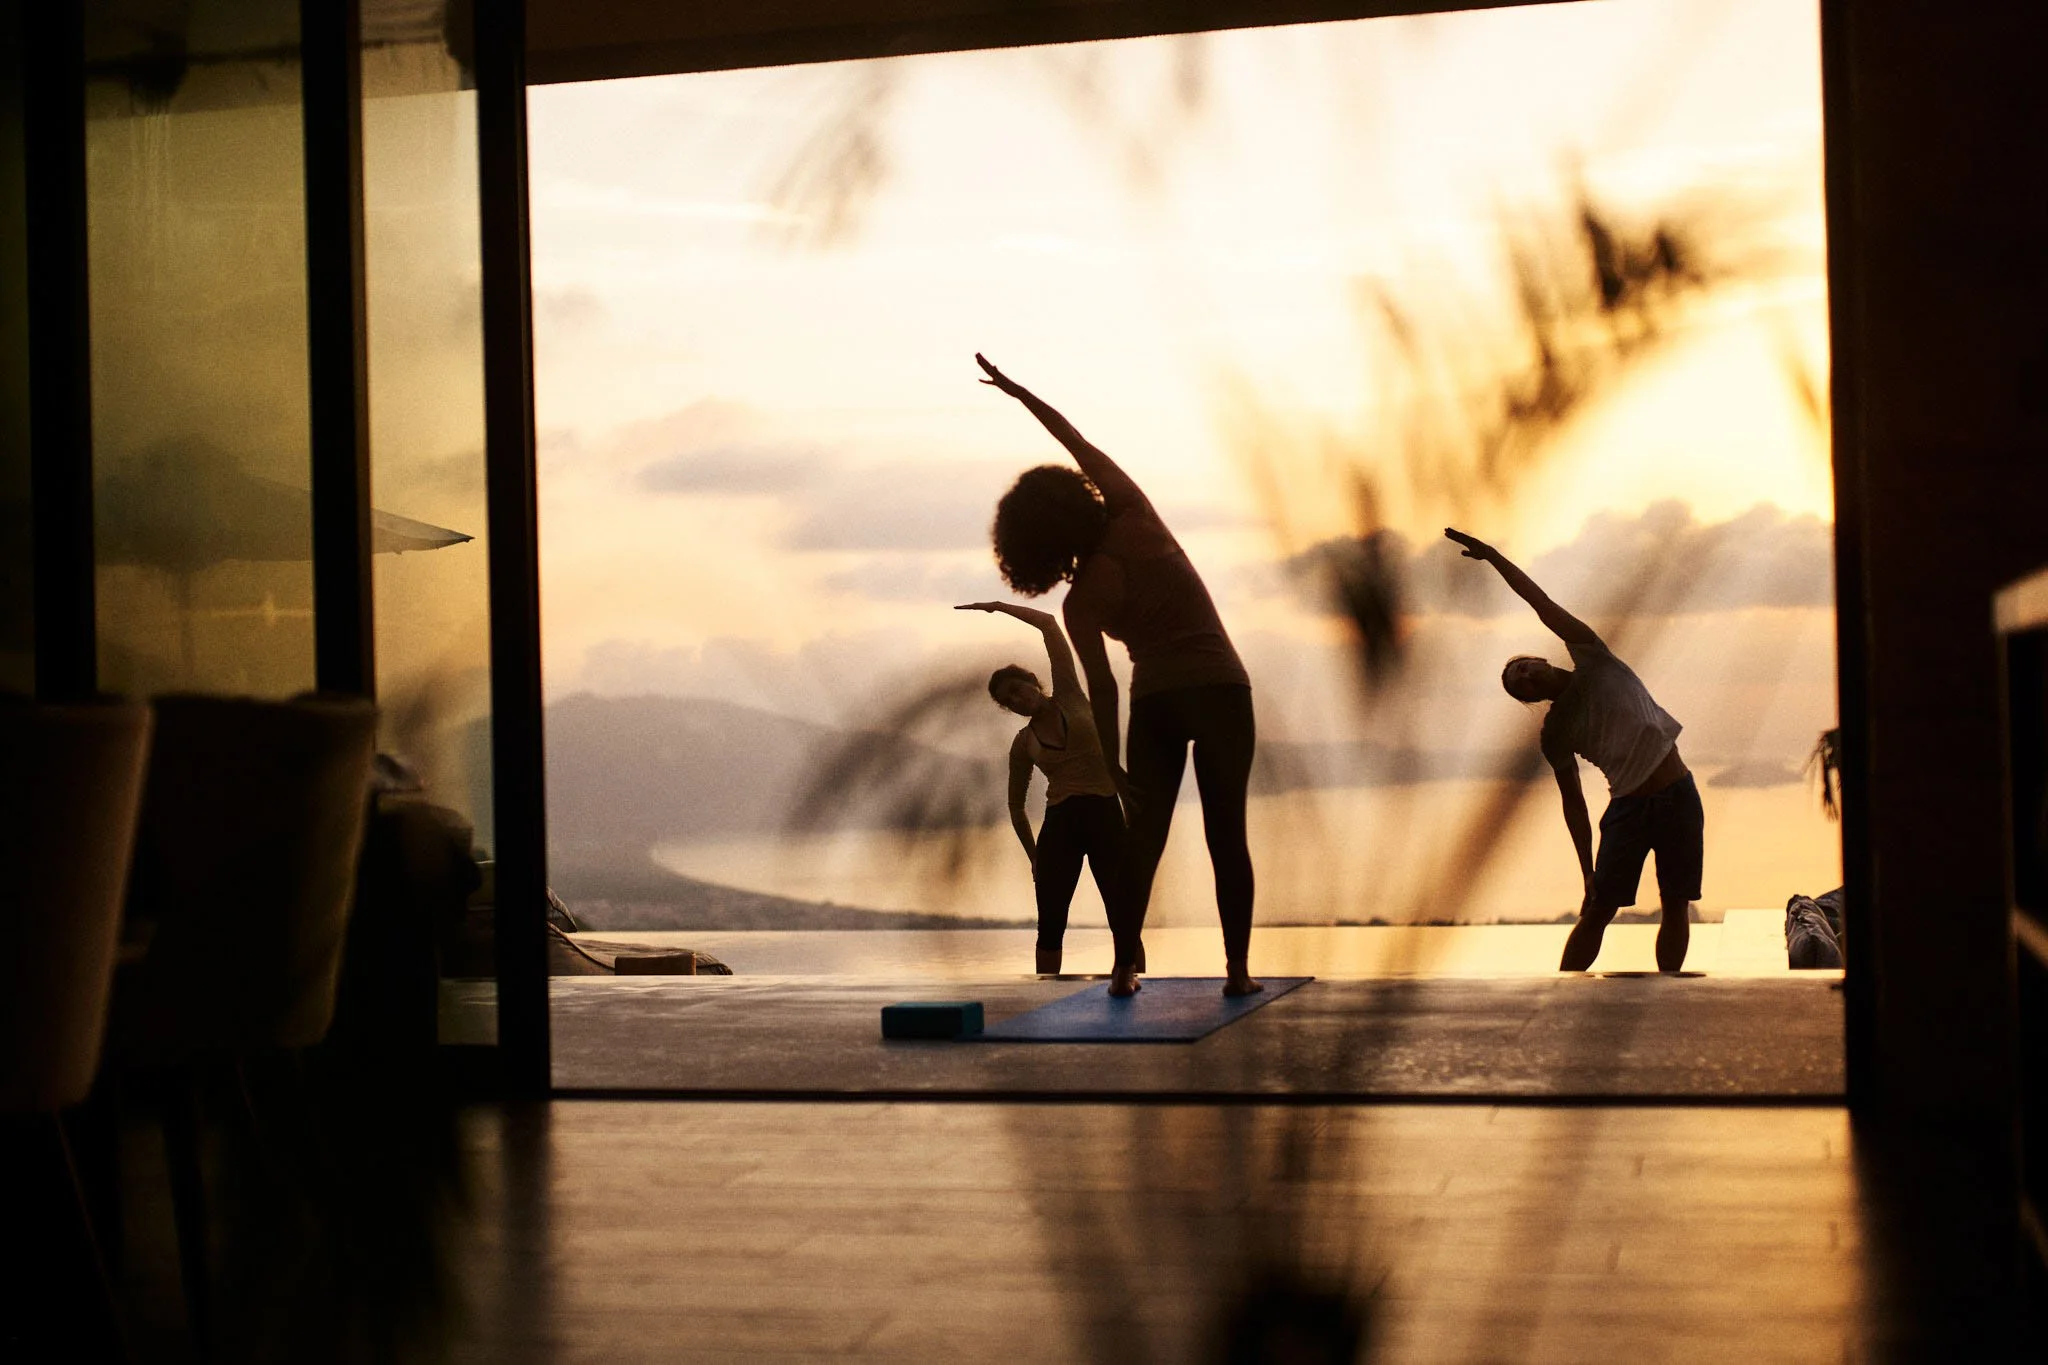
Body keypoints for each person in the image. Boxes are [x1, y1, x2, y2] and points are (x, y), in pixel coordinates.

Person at [978, 353, 1259, 998]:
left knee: (1145, 838)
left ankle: (1125, 972)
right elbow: (1075, 440)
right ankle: (1237, 973)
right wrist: (1023, 395)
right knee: (1227, 834)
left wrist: (1114, 768)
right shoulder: (1136, 514)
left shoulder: (1078, 606)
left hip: (1157, 702)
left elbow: (1103, 693)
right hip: (1221, 689)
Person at [1446, 528, 1703, 973]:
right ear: (1530, 699)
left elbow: (1540, 603)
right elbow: (1574, 805)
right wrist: (1586, 871)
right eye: (1518, 685)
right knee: (1598, 909)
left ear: (1541, 659)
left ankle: (1671, 994)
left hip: (1678, 794)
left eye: (1524, 667)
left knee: (1676, 902)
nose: (1525, 677)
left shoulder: (1593, 658)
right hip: (1629, 809)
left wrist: (1493, 557)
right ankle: (1562, 996)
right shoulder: (1555, 732)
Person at [956, 601, 1131, 977]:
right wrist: (1034, 855)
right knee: (1051, 923)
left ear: (1034, 682)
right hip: (1061, 825)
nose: (1018, 700)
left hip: (1105, 814)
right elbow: (1015, 805)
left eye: (1018, 689)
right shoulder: (1023, 744)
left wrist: (998, 607)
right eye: (1009, 701)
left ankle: (1141, 991)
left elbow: (1050, 625)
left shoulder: (1070, 694)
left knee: (1124, 916)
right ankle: (1044, 997)